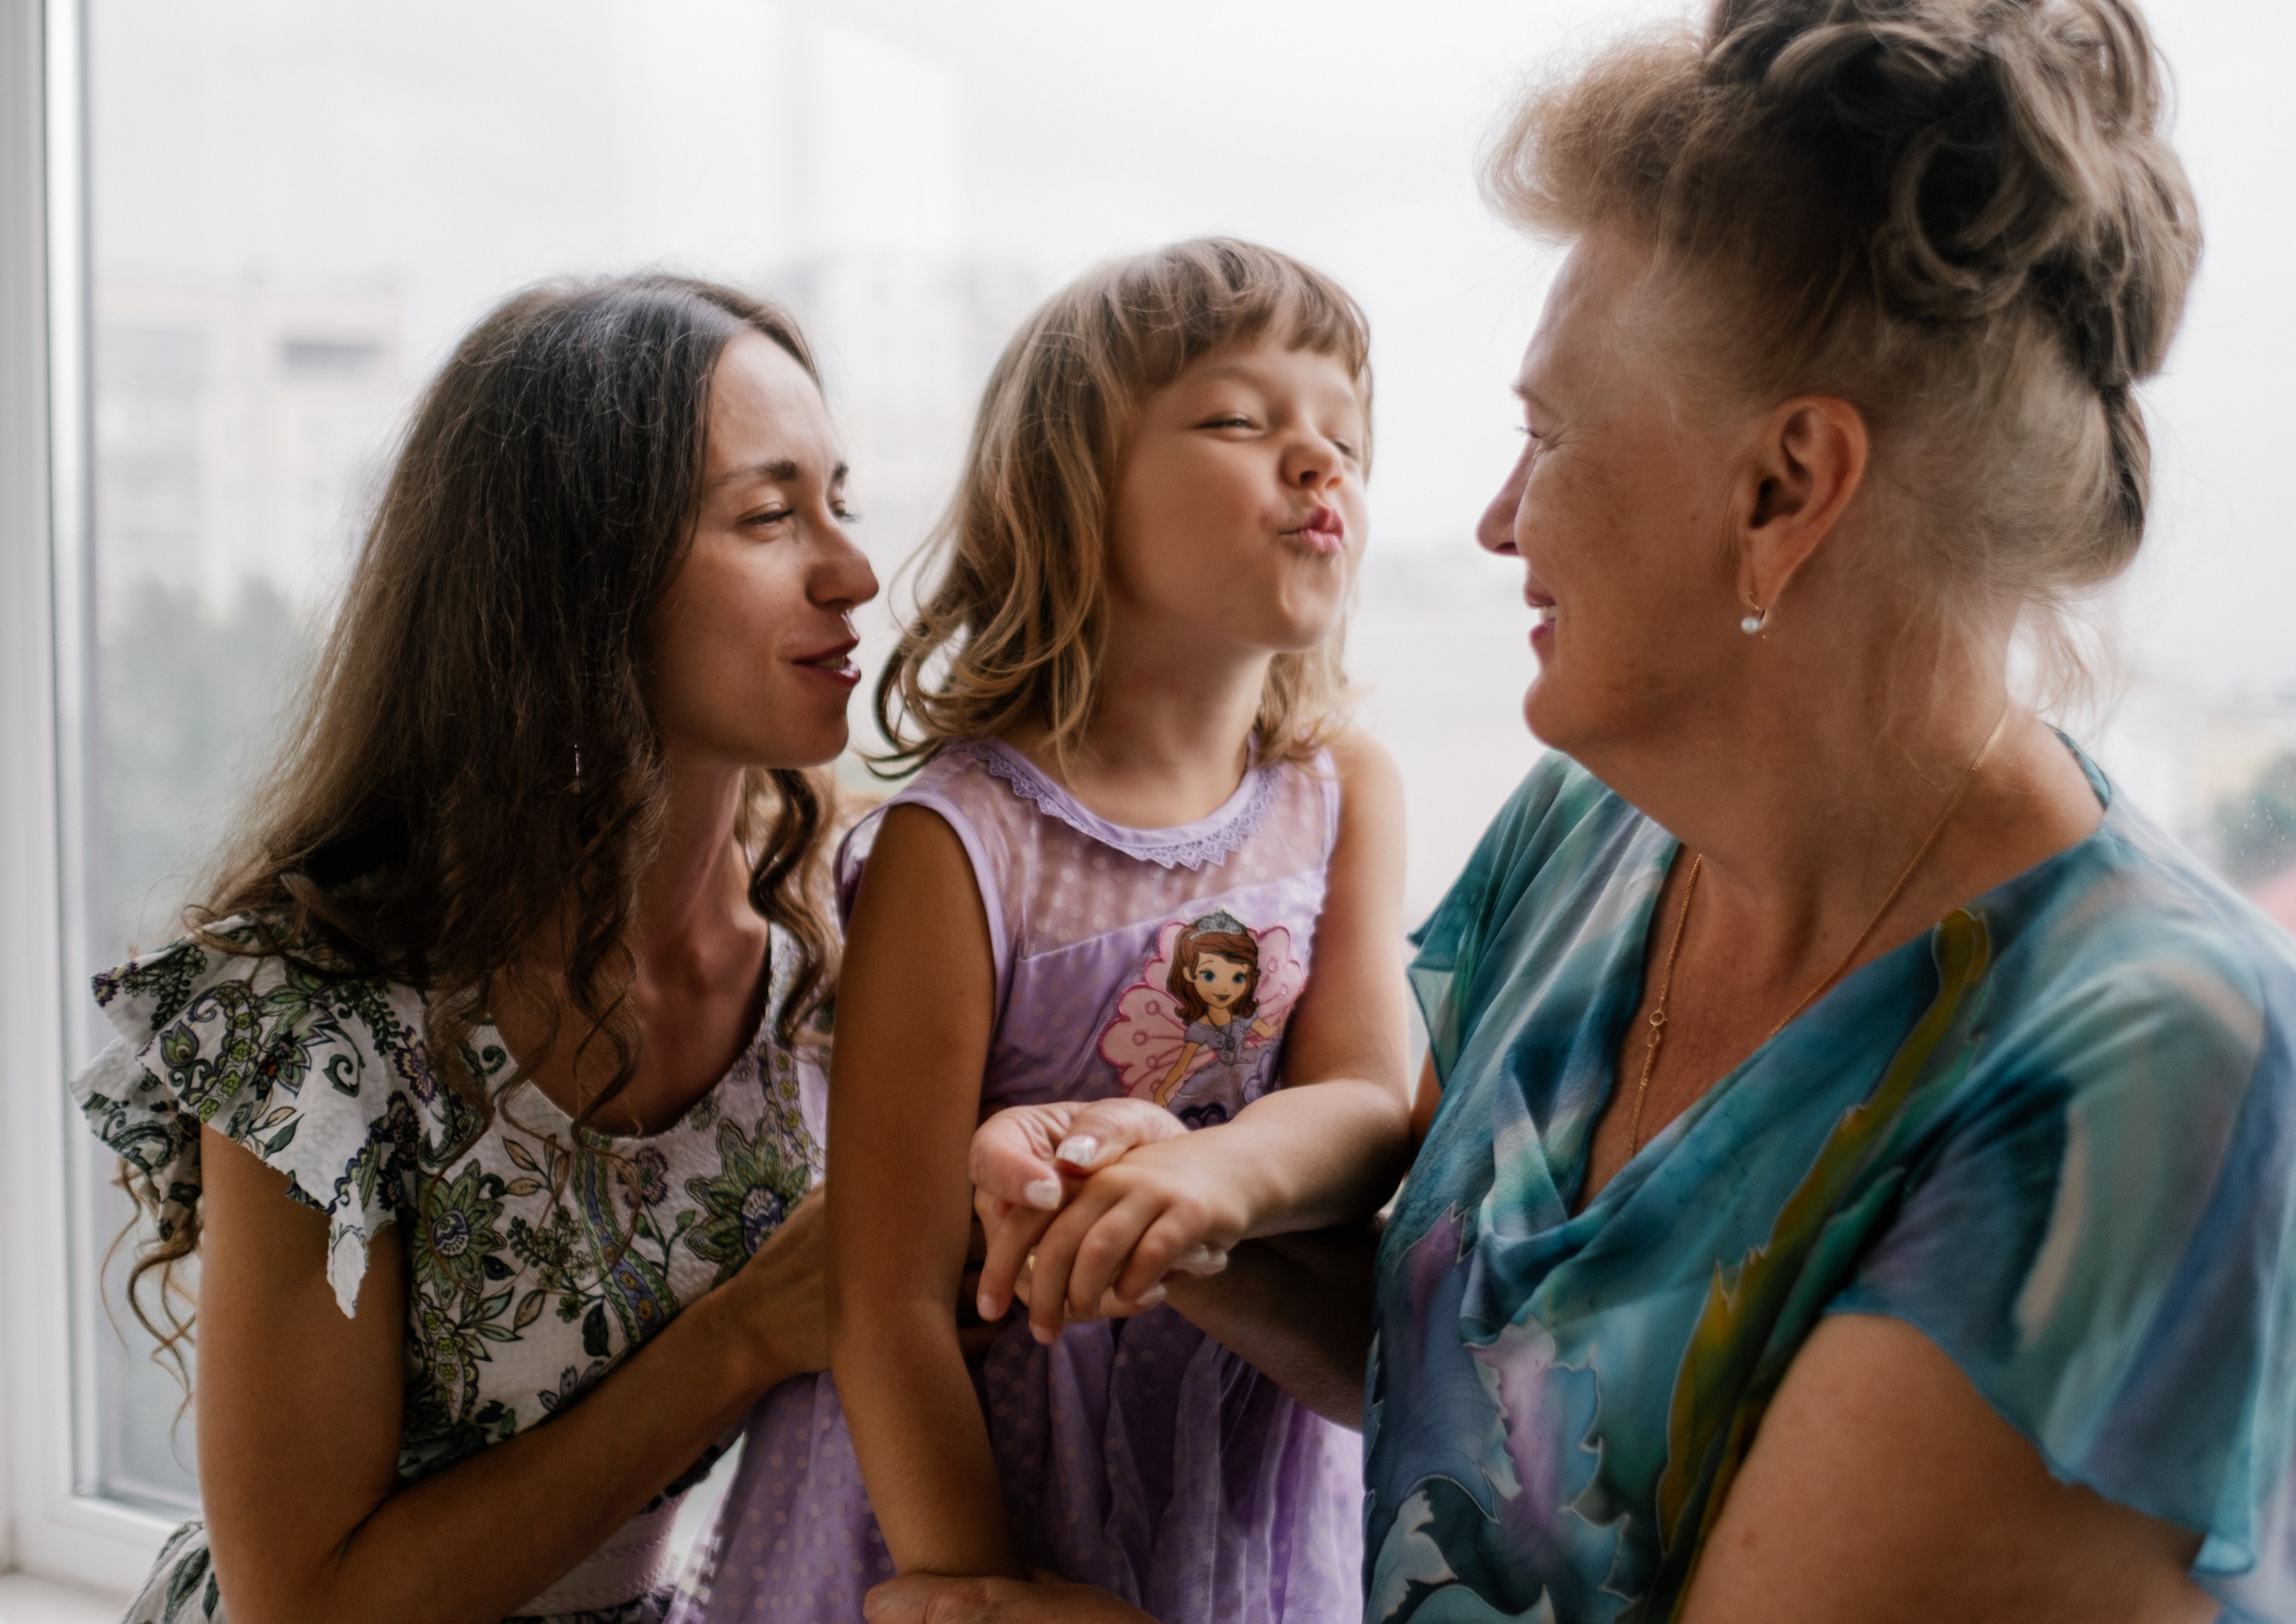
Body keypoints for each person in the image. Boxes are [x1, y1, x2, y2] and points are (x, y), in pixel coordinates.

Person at [909, 1, 2296, 1621]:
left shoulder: (2145, 1071)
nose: (1496, 521)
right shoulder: (1587, 834)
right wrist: (1182, 1216)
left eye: (1547, 436)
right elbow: (1472, 1358)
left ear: (1786, 490)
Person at [75, 274, 899, 1624]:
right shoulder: (313, 1020)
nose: (854, 571)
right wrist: (742, 1336)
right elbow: (311, 1604)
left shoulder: (843, 935)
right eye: (767, 515)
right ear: (575, 589)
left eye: (838, 502)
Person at [696, 240, 1413, 1624]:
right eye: (1242, 420)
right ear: (1074, 493)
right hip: (977, 1497)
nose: (1319, 462)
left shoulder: (1340, 793)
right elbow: (885, 1296)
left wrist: (1212, 1183)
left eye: (1347, 437)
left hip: (1239, 1485)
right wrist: (969, 1587)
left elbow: (1368, 1101)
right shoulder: (962, 842)